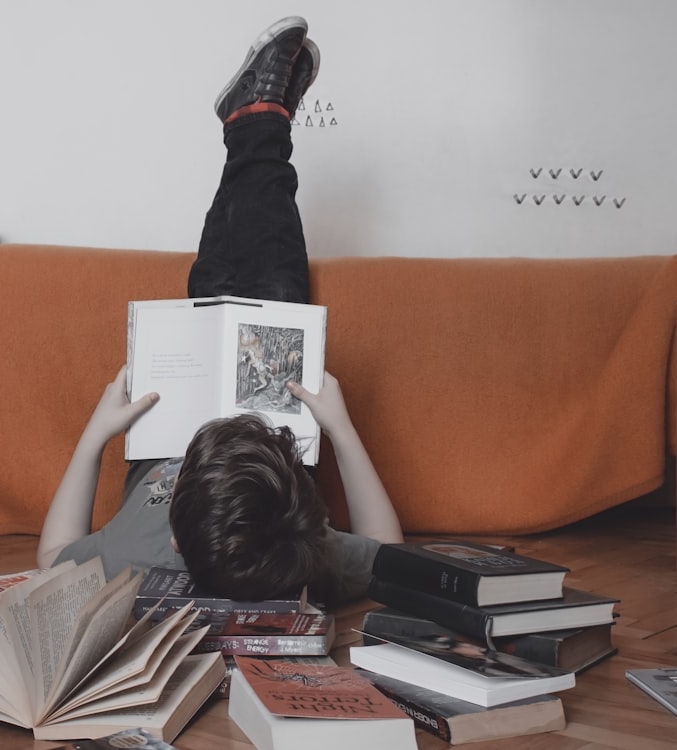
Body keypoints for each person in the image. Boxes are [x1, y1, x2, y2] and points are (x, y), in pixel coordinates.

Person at [36, 16, 403, 606]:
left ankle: (257, 121)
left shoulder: (139, 554)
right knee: (271, 286)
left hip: (172, 423)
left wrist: (97, 435)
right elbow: (391, 552)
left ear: (176, 544)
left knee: (222, 284)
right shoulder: (297, 552)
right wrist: (339, 427)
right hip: (263, 472)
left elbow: (52, 557)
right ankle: (256, 122)